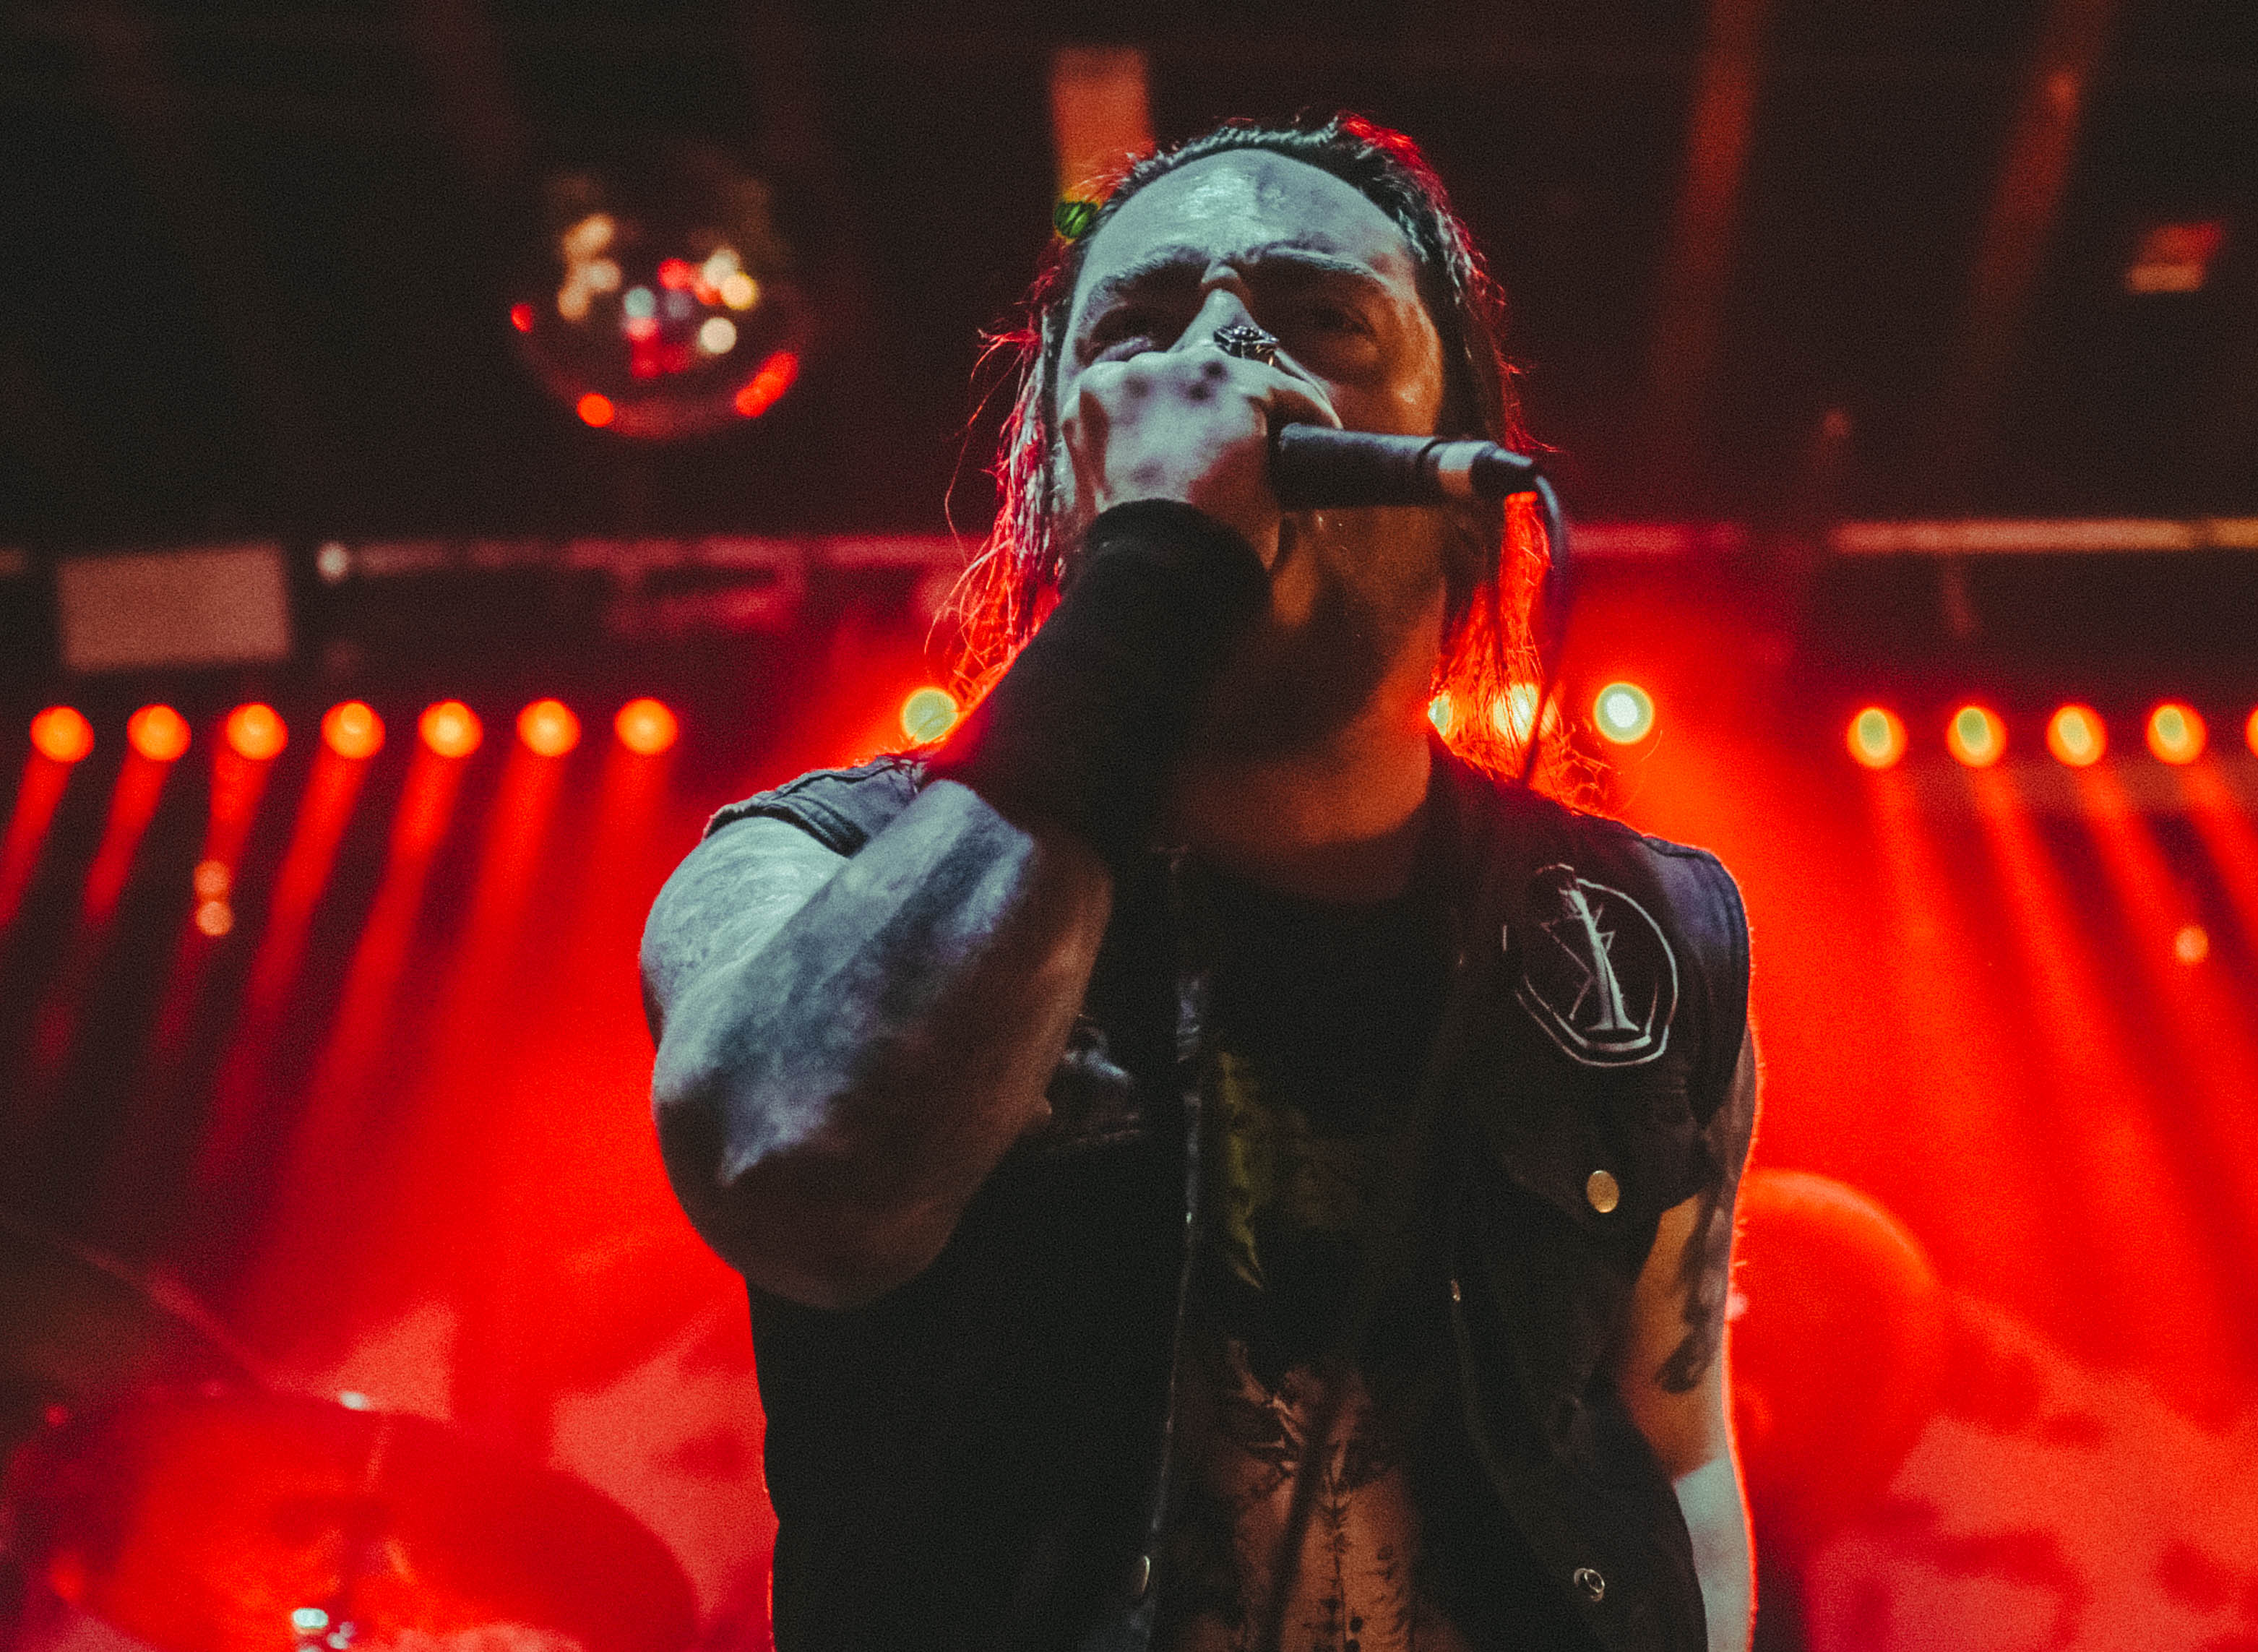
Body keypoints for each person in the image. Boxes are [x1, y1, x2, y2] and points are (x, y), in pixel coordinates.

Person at [642, 115, 1757, 1652]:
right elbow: (805, 1180)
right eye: (1139, 331)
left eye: (1320, 319)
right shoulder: (809, 869)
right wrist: (1160, 566)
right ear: (1060, 475)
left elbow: (1676, 1445)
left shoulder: (1645, 942)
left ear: (1454, 481)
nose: (1220, 360)